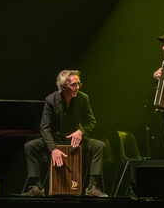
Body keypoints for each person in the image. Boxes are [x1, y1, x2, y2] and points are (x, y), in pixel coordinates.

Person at [20, 69, 108, 197]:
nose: (77, 87)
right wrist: (53, 149)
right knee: (30, 147)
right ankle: (37, 187)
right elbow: (44, 127)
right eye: (74, 85)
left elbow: (91, 121)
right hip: (57, 139)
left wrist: (80, 131)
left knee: (99, 146)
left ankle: (92, 187)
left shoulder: (83, 98)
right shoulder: (51, 100)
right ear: (63, 86)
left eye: (78, 84)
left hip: (75, 140)